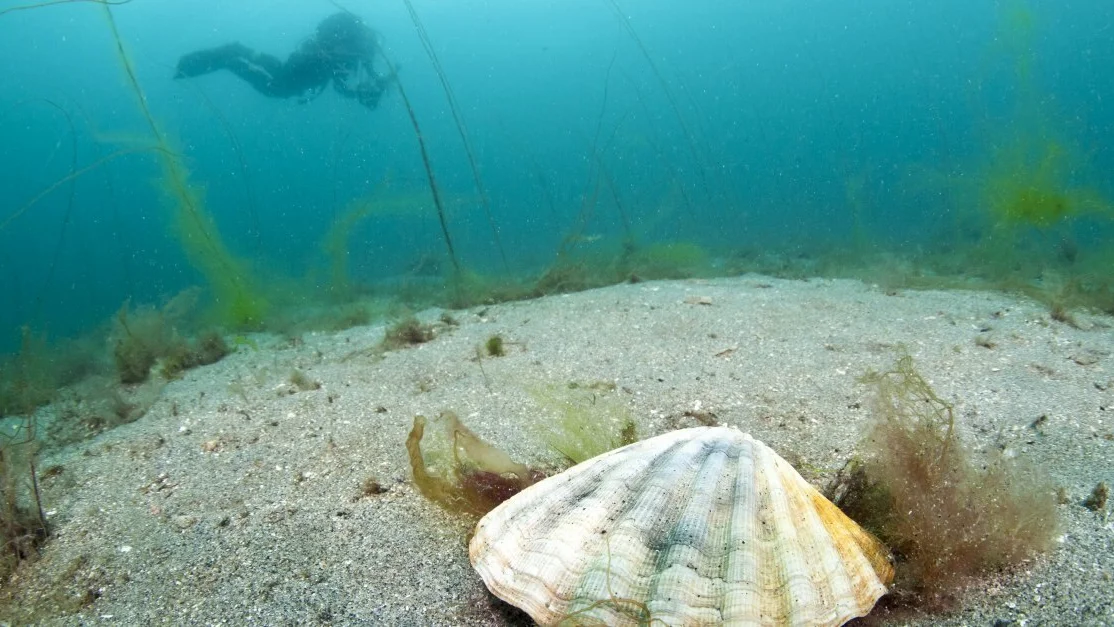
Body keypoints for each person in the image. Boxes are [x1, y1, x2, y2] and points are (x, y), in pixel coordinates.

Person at [174, 12, 395, 109]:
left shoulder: (356, 48)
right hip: (309, 68)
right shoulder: (358, 51)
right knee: (275, 88)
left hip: (304, 62)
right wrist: (362, 93)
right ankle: (229, 61)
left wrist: (368, 90)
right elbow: (341, 85)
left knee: (281, 71)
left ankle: (241, 51)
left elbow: (345, 82)